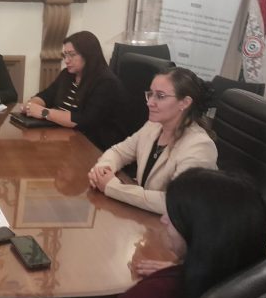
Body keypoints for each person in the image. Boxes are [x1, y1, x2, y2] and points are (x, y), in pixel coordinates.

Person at [0, 168, 266, 298]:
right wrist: (180, 268)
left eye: (173, 216)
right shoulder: (249, 273)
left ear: (200, 231)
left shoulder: (154, 297)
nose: (163, 220)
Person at [88, 66, 217, 214]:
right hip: (147, 216)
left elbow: (175, 202)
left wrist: (114, 187)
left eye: (160, 96)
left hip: (176, 225)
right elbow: (119, 152)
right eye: (150, 94)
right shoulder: (154, 125)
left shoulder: (200, 146)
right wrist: (102, 170)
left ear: (185, 102)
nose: (149, 102)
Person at [23, 31, 131, 150]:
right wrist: (31, 105)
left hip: (94, 146)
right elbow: (46, 95)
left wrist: (44, 113)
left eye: (72, 55)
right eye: (65, 55)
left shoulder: (106, 82)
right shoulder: (67, 75)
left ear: (88, 55)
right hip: (65, 138)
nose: (66, 60)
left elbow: (84, 120)